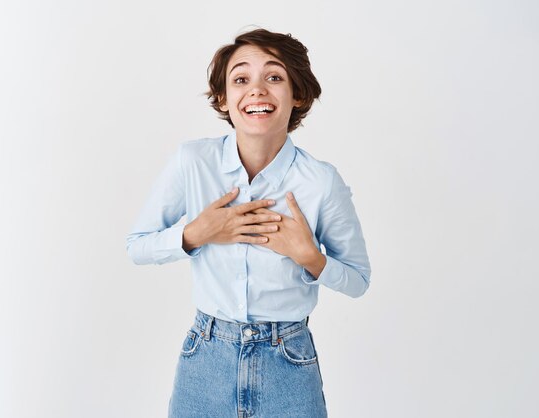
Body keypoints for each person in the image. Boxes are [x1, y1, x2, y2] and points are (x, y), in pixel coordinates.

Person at [126, 28, 371, 418]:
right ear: (223, 98)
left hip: (288, 361)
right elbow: (137, 246)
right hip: (205, 357)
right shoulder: (193, 162)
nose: (257, 90)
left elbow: (358, 279)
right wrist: (197, 233)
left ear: (299, 94)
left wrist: (310, 257)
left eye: (274, 77)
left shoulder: (321, 182)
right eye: (241, 79)